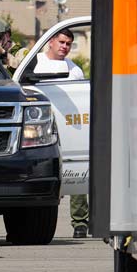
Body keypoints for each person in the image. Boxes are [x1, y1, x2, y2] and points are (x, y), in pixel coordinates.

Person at [32, 27, 89, 237]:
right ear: (51, 42)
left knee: (77, 172)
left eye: (68, 44)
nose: (64, 47)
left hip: (68, 127)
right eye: (61, 42)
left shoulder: (75, 71)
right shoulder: (35, 63)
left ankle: (80, 222)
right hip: (39, 127)